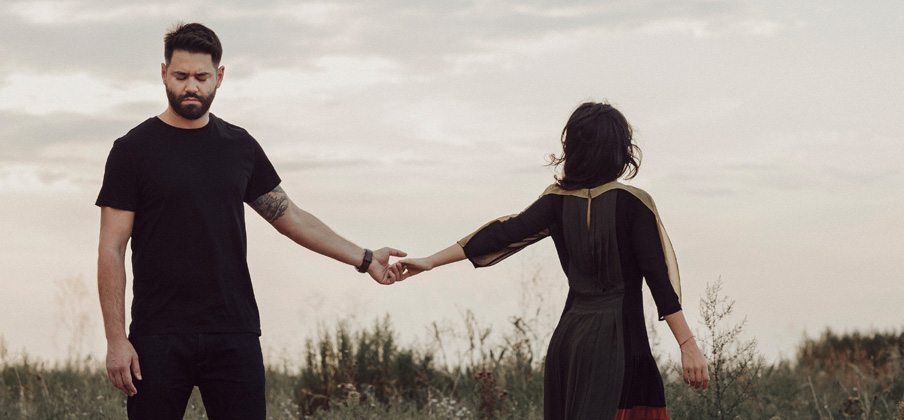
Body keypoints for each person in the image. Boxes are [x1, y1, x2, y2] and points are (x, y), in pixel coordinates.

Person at [95, 22, 403, 419]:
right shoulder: (132, 151)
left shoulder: (238, 146)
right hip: (158, 335)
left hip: (233, 332)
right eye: (181, 75)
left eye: (202, 77)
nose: (191, 86)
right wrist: (116, 339)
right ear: (163, 73)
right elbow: (111, 247)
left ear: (219, 78)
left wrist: (363, 257)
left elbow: (290, 217)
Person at [394, 102, 710, 420]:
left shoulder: (554, 202)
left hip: (568, 345)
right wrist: (687, 344)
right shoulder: (634, 204)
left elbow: (500, 234)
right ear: (619, 150)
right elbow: (658, 277)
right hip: (618, 346)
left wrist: (431, 261)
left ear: (573, 149)